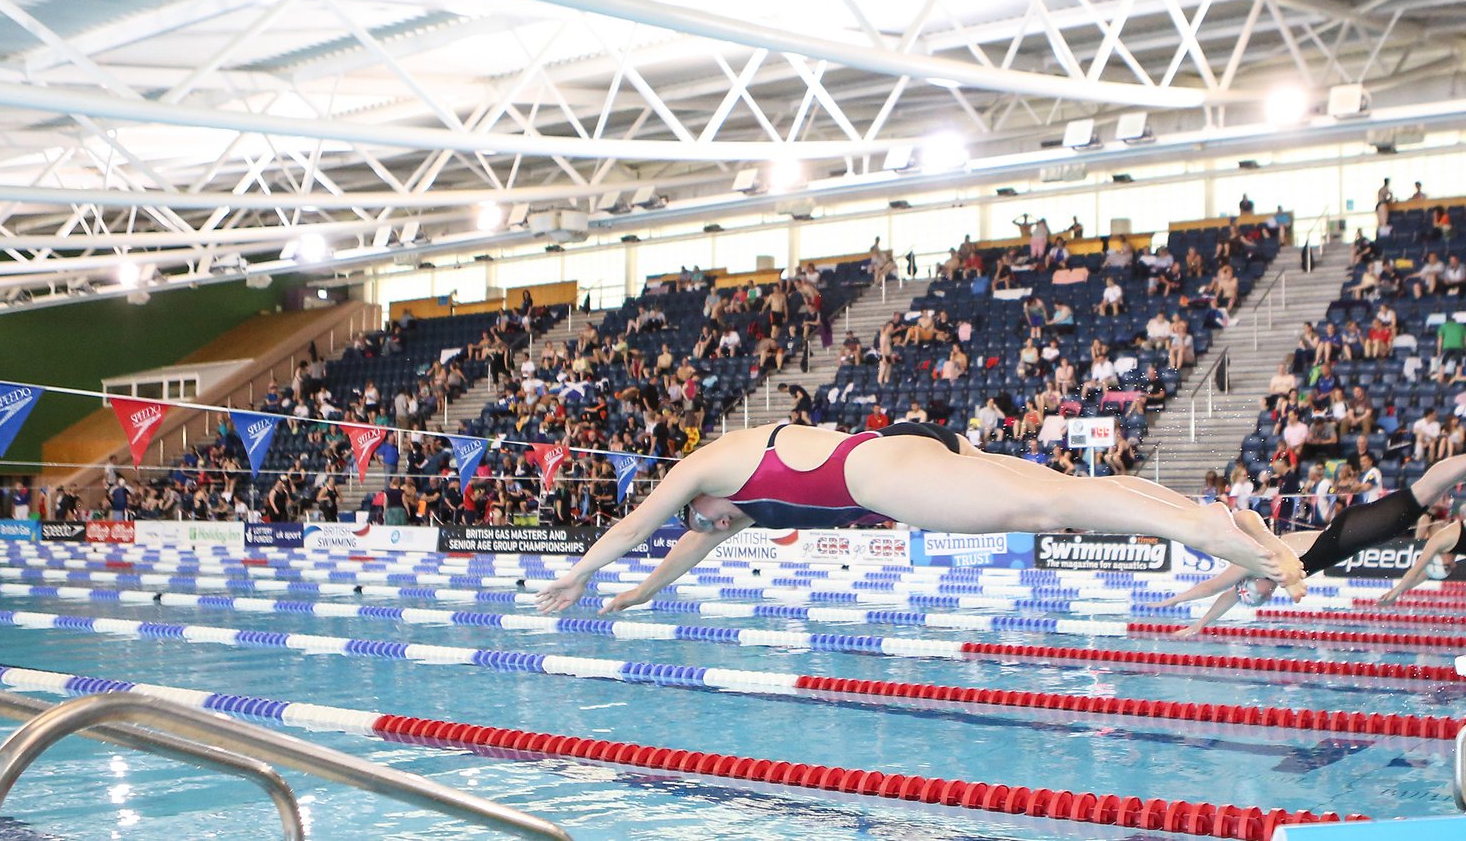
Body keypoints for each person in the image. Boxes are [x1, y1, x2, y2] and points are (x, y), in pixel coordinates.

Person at [533, 423, 1303, 615]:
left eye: (698, 522)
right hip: (907, 447)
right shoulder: (729, 503)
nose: (703, 528)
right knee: (1059, 495)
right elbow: (683, 552)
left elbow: (636, 529)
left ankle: (1202, 533)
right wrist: (638, 596)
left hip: (883, 472)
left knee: (1050, 507)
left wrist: (577, 573)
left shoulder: (703, 468)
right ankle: (1207, 516)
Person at [1154, 451, 1466, 635]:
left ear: (1248, 585)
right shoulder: (1274, 572)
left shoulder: (1256, 560)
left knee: (1420, 495)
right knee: (1423, 497)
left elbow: (1214, 588)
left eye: (1252, 598)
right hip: (1352, 535)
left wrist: (1174, 601)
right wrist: (1201, 624)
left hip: (1351, 533)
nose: (1259, 600)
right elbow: (1228, 597)